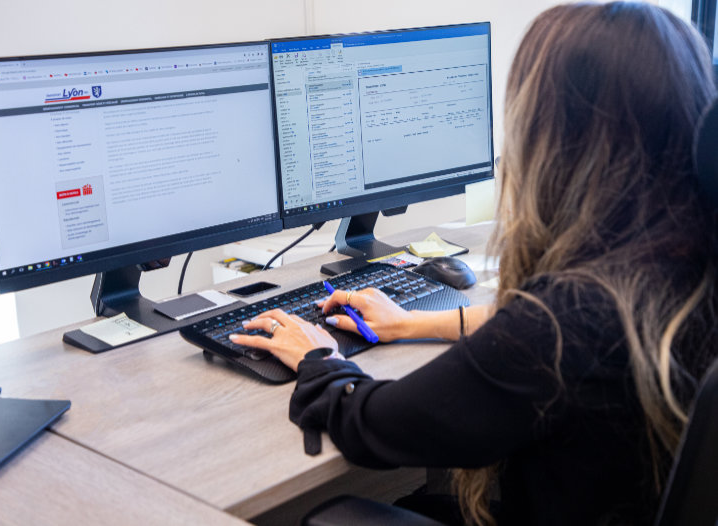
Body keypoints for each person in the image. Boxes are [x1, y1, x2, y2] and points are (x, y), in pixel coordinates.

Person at [230, 3, 718, 525]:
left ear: (560, 143)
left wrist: (319, 358)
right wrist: (414, 323)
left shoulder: (563, 323)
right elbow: (531, 335)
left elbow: (372, 424)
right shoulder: (678, 273)